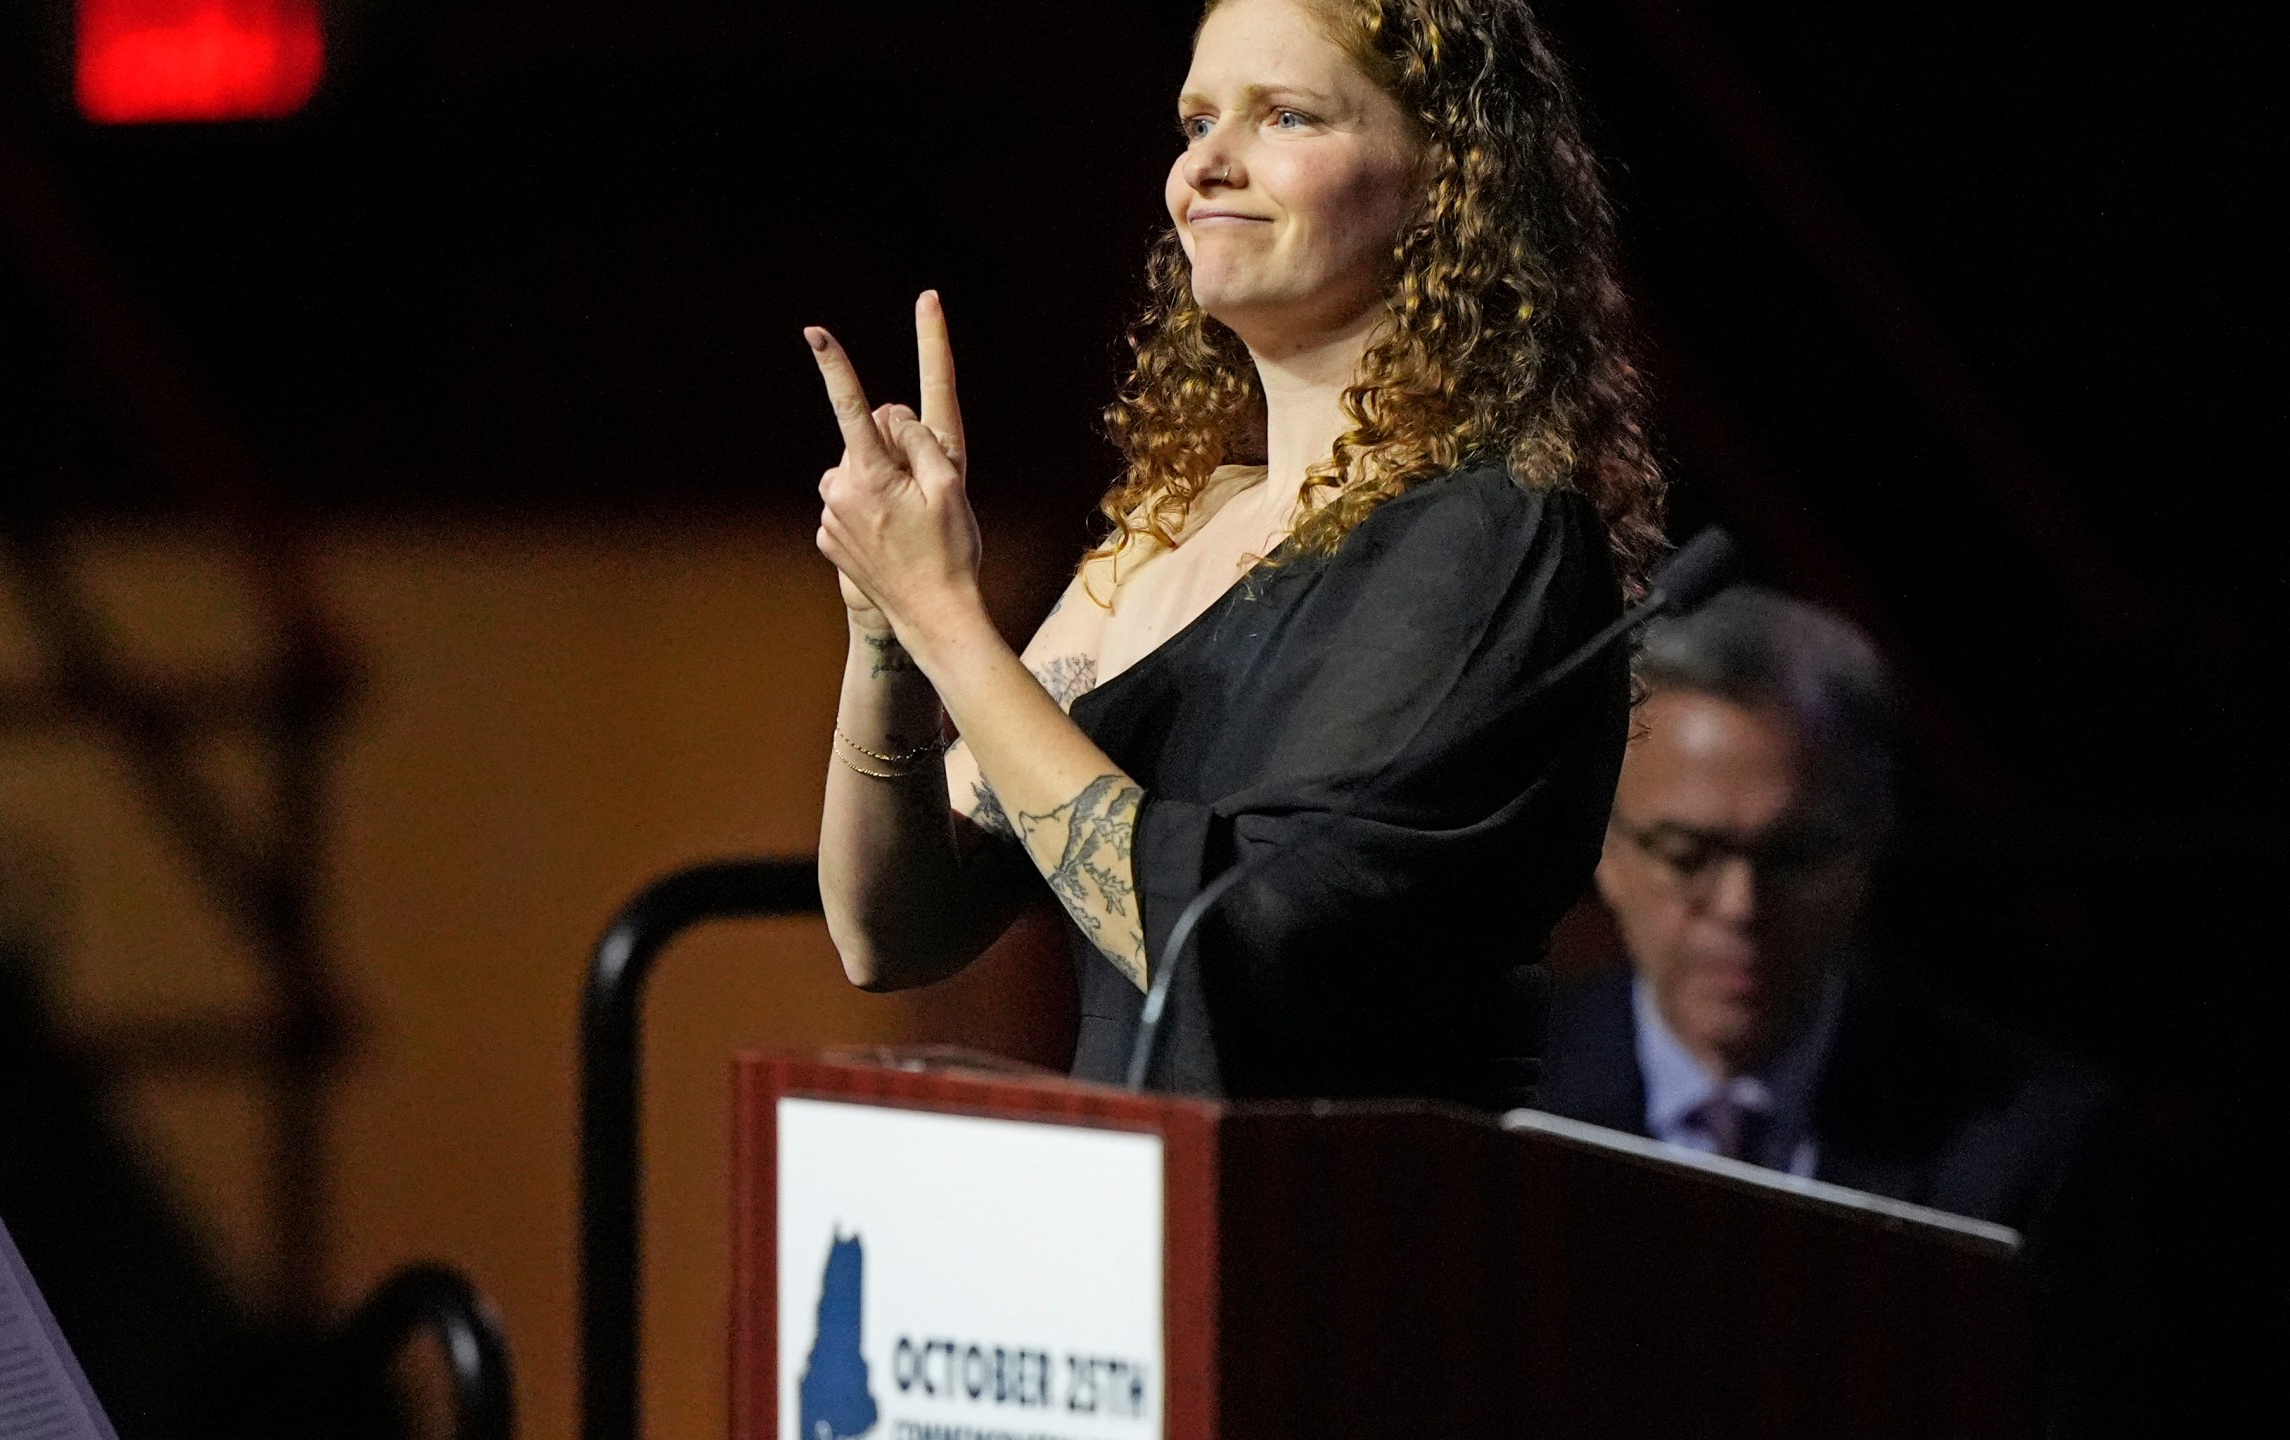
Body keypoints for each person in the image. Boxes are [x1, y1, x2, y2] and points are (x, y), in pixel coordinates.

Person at [807, 0, 1663, 1099]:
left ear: (1446, 181)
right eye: (1195, 120)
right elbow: (893, 934)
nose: (1205, 165)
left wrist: (943, 616)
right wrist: (885, 629)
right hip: (1135, 1212)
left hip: (1332, 1224)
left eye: (1287, 117)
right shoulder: (1163, 535)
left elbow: (1244, 944)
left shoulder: (1489, 533)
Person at [1535, 586, 2137, 1432]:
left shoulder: (2029, 1153)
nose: (1739, 906)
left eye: (1795, 855)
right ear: (1605, 850)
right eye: (1688, 853)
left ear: (1867, 849)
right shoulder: (1489, 1100)